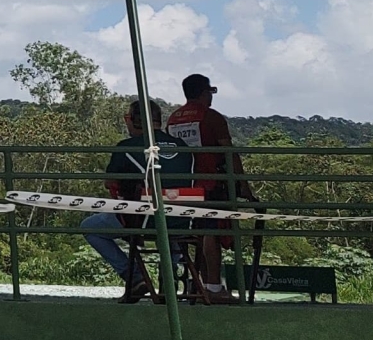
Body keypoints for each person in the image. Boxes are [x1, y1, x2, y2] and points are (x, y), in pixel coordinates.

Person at [81, 97, 194, 304]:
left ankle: (135, 278)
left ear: (133, 120)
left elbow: (110, 182)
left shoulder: (127, 147)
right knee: (171, 229)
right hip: (184, 219)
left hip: (143, 219)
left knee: (89, 227)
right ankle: (167, 282)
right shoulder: (183, 147)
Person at [166, 73, 252, 304]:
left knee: (194, 234)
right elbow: (229, 153)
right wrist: (242, 185)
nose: (211, 97)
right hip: (210, 184)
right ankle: (213, 287)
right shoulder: (212, 117)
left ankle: (196, 284)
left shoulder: (173, 119)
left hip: (182, 188)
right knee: (211, 232)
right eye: (210, 92)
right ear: (204, 92)